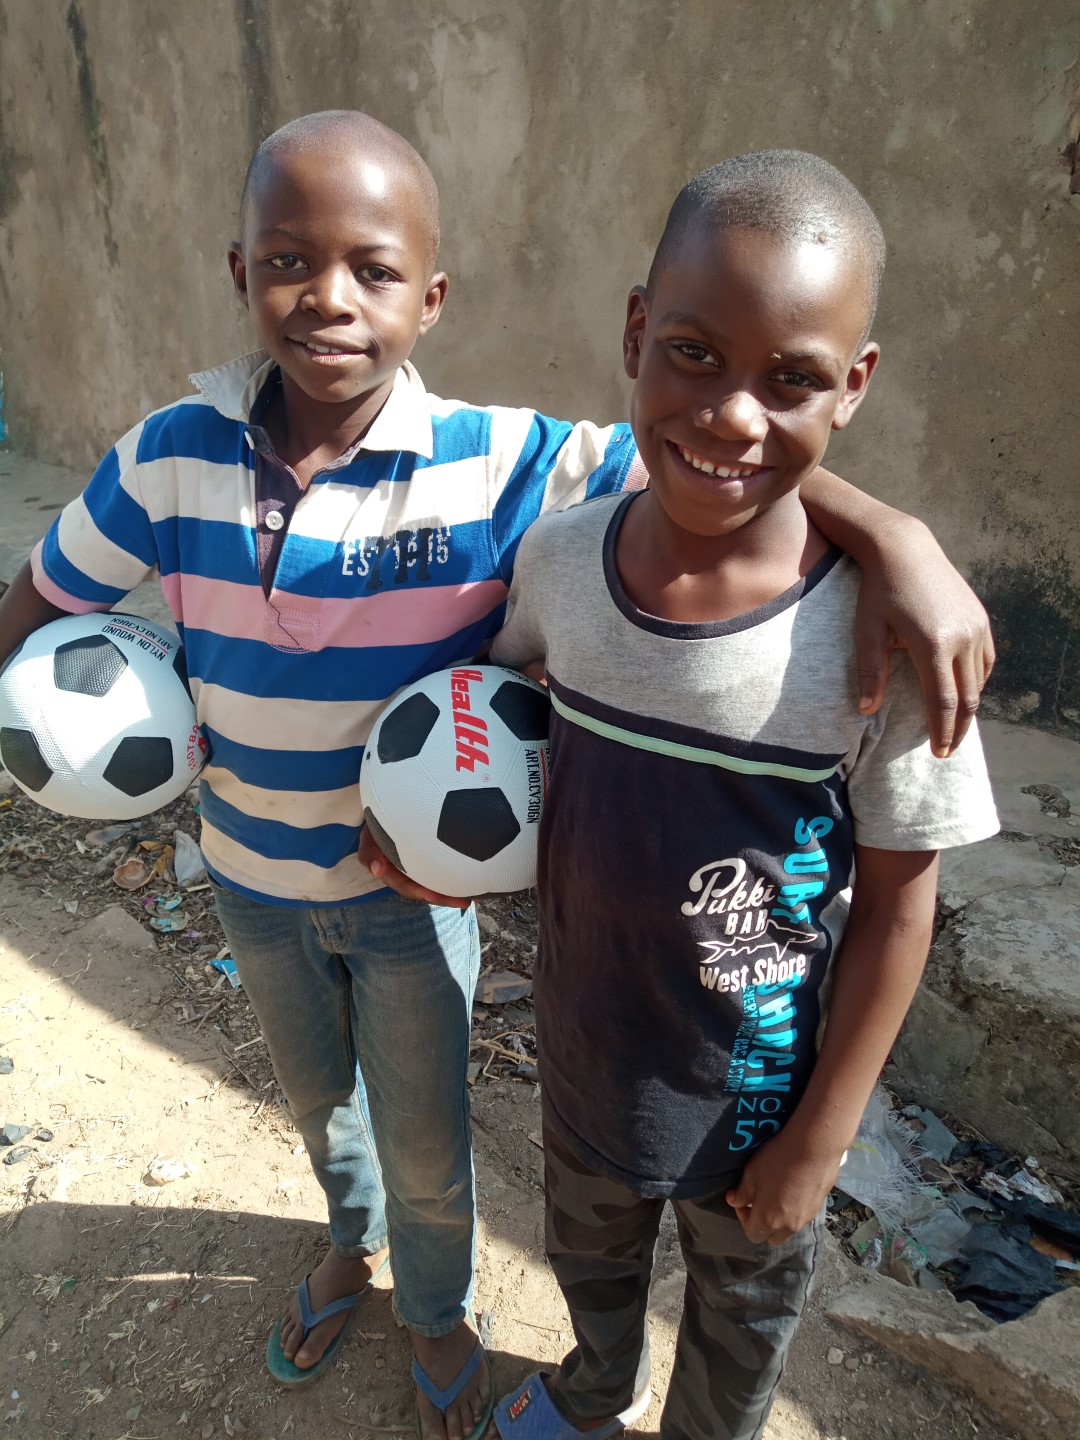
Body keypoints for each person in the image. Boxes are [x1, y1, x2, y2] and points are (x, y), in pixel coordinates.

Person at [0, 115, 991, 1440]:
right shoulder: (167, 454)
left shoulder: (501, 460)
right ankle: (347, 1247)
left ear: (432, 296)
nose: (330, 298)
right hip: (247, 876)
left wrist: (897, 534)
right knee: (319, 1109)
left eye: (373, 269)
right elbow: (46, 593)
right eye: (289, 261)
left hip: (412, 905)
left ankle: (438, 1307)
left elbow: (720, 455)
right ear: (241, 273)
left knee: (427, 1138)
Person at [486, 151, 999, 1440]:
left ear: (855, 385)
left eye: (792, 380)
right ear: (634, 333)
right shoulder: (561, 564)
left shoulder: (881, 645)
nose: (731, 417)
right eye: (694, 354)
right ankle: (591, 1391)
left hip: (758, 1107)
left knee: (737, 1330)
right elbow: (488, 720)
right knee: (589, 1270)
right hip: (587, 1062)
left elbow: (900, 910)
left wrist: (821, 1140)